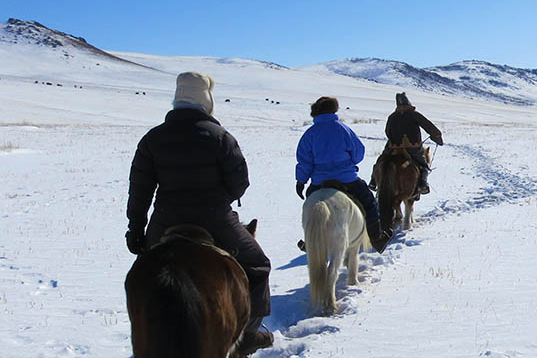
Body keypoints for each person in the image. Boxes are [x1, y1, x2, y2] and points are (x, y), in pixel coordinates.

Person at [125, 72, 273, 350]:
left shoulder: (152, 138)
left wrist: (136, 228)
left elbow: (140, 189)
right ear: (206, 100)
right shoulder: (220, 137)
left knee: (142, 277)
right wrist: (220, 198)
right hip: (215, 217)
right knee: (258, 265)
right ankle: (250, 334)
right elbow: (240, 183)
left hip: (165, 219)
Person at [295, 96, 391, 253]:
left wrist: (301, 181)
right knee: (369, 203)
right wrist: (348, 164)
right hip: (347, 179)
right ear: (333, 110)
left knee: (310, 207)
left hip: (320, 181)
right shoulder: (343, 129)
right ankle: (376, 237)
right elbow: (358, 153)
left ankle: (310, 240)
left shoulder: (310, 133)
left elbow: (305, 161)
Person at [370, 92, 443, 194]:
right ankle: (423, 184)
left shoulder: (392, 116)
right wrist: (437, 137)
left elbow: (387, 131)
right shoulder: (415, 115)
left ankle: (373, 181)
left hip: (393, 147)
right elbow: (429, 126)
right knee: (423, 165)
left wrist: (394, 141)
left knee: (381, 160)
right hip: (413, 148)